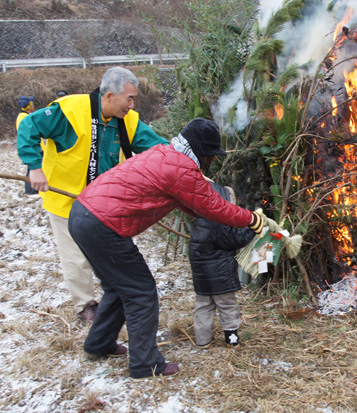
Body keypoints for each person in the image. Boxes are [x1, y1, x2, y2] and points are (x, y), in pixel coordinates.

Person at [67, 117, 266, 379]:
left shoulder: (166, 154)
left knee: (118, 288)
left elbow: (187, 201)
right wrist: (251, 219)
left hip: (83, 216)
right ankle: (146, 364)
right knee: (141, 292)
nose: (212, 161)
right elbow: (212, 206)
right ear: (201, 152)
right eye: (211, 156)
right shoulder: (182, 168)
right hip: (103, 225)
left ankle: (99, 344)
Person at [16, 66, 169, 322]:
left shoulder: (127, 121)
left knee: (104, 252)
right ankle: (85, 305)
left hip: (103, 203)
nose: (132, 105)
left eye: (134, 99)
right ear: (109, 96)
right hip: (66, 199)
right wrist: (34, 166)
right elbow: (29, 127)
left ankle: (114, 295)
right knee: (75, 257)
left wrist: (184, 158)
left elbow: (155, 146)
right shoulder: (70, 110)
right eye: (129, 98)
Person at [189, 181, 256, 348]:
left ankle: (202, 339)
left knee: (204, 305)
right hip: (220, 277)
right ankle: (231, 336)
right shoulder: (219, 223)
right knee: (227, 305)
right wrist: (253, 227)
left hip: (202, 277)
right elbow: (236, 239)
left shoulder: (200, 221)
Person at [15, 96, 38, 196]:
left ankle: (34, 190)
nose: (33, 105)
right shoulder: (24, 118)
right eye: (31, 103)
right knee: (32, 169)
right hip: (32, 148)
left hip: (33, 147)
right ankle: (31, 191)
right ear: (28, 106)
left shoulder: (24, 116)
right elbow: (29, 135)